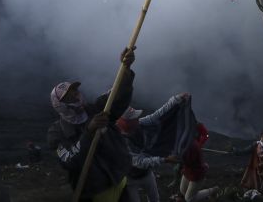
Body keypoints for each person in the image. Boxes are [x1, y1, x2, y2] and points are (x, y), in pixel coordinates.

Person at [47, 46, 136, 202]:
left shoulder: (96, 108)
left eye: (75, 91)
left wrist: (126, 69)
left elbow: (117, 96)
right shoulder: (57, 132)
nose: (76, 96)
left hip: (119, 180)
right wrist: (89, 131)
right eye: (69, 96)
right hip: (94, 193)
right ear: (59, 105)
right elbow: (68, 161)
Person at [117, 93, 192, 202]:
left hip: (146, 174)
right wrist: (165, 159)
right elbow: (140, 162)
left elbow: (157, 115)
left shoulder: (140, 124)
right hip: (130, 179)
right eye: (134, 118)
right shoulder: (121, 142)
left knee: (155, 199)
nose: (138, 119)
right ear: (126, 124)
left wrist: (176, 99)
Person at [176, 123, 220, 202]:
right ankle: (202, 197)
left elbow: (206, 135)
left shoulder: (196, 125)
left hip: (195, 173)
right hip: (188, 169)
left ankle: (212, 191)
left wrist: (200, 144)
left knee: (188, 198)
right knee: (183, 191)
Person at [232, 128, 263, 194]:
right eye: (262, 136)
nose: (262, 139)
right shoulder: (256, 145)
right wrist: (237, 151)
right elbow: (245, 151)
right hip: (254, 170)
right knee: (250, 186)